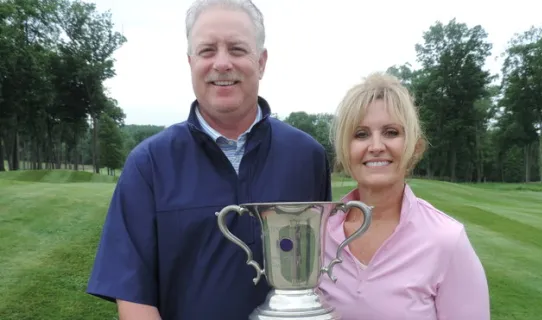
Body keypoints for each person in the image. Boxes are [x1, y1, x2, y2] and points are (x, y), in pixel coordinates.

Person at [86, 0, 332, 319]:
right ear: (191, 62)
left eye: (237, 49)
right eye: (207, 50)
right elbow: (134, 297)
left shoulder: (307, 156)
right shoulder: (148, 164)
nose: (222, 63)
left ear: (261, 61)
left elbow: (318, 276)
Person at [319, 72, 490, 319]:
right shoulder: (318, 231)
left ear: (415, 148)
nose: (376, 146)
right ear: (344, 148)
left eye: (391, 132)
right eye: (361, 134)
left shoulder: (446, 239)